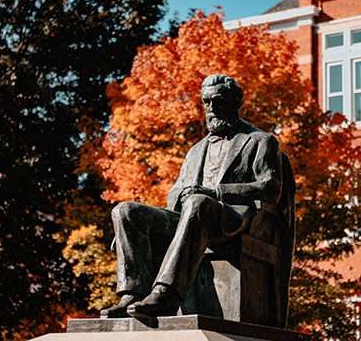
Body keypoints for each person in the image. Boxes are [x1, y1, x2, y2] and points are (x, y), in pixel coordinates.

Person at [100, 74, 286, 320]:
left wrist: (217, 193)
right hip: (188, 216)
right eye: (206, 101)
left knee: (198, 203)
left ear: (236, 102)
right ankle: (132, 294)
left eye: (218, 100)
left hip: (229, 218)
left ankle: (167, 293)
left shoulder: (261, 141)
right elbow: (175, 193)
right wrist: (182, 197)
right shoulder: (195, 150)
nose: (211, 108)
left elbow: (270, 186)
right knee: (125, 211)